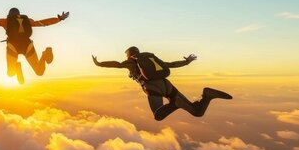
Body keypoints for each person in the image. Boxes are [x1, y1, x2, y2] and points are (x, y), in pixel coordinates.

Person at [92, 46, 232, 121]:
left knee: (158, 115)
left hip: (153, 88)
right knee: (197, 112)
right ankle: (207, 95)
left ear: (129, 54)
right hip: (167, 85)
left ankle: (175, 104)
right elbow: (172, 64)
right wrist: (187, 61)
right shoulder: (152, 60)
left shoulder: (132, 62)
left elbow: (116, 64)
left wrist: (99, 64)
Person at [0, 8, 69, 84]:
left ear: (9, 14)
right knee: (39, 72)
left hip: (13, 47)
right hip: (27, 45)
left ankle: (17, 67)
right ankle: (45, 54)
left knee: (10, 74)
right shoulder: (28, 21)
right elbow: (43, 23)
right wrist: (59, 19)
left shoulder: (5, 21)